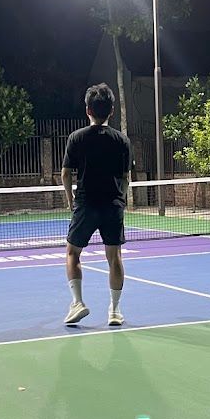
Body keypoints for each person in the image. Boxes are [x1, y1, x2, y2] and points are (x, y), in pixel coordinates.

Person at [61, 83, 132, 327]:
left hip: (85, 204)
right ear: (112, 110)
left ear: (88, 109)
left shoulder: (76, 138)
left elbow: (66, 174)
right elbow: (125, 177)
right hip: (112, 206)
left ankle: (77, 303)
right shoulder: (122, 140)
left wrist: (70, 200)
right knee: (114, 257)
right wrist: (120, 199)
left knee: (72, 253)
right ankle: (115, 310)